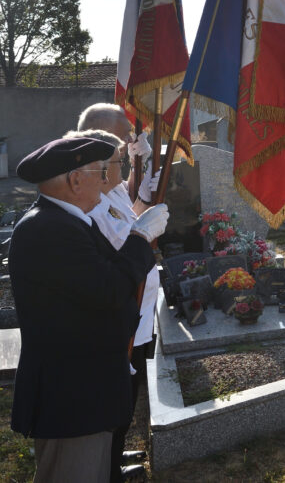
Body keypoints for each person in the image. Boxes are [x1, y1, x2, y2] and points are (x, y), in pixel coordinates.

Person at [10, 137, 168, 483]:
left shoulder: (69, 222)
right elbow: (109, 288)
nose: (106, 180)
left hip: (86, 390)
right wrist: (140, 239)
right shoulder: (49, 229)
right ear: (74, 180)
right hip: (71, 398)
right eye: (99, 172)